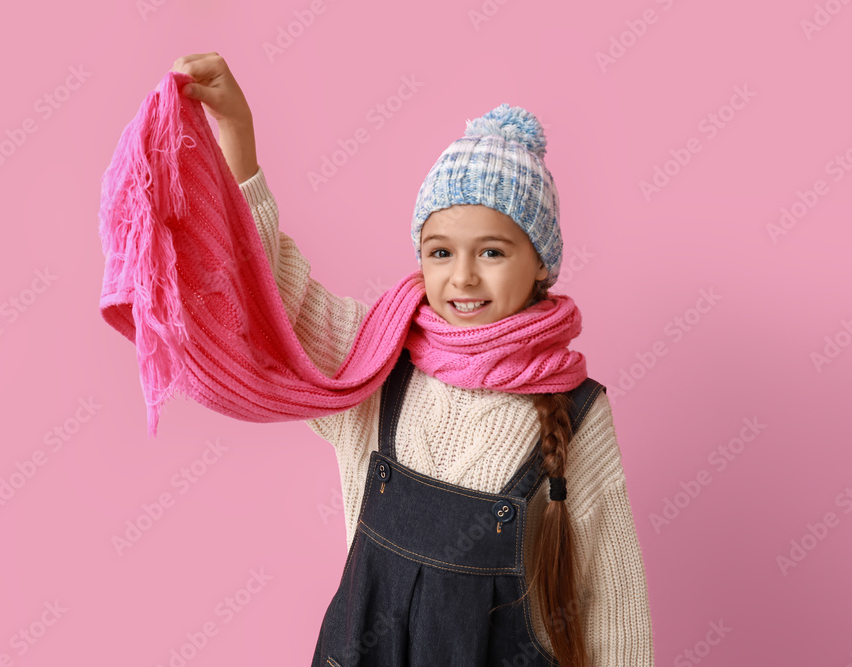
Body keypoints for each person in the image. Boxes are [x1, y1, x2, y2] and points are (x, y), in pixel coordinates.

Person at [164, 51, 654, 666]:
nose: (463, 278)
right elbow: (275, 292)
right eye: (440, 251)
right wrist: (239, 138)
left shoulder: (575, 413)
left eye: (494, 252)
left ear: (541, 266)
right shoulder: (375, 362)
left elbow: (612, 600)